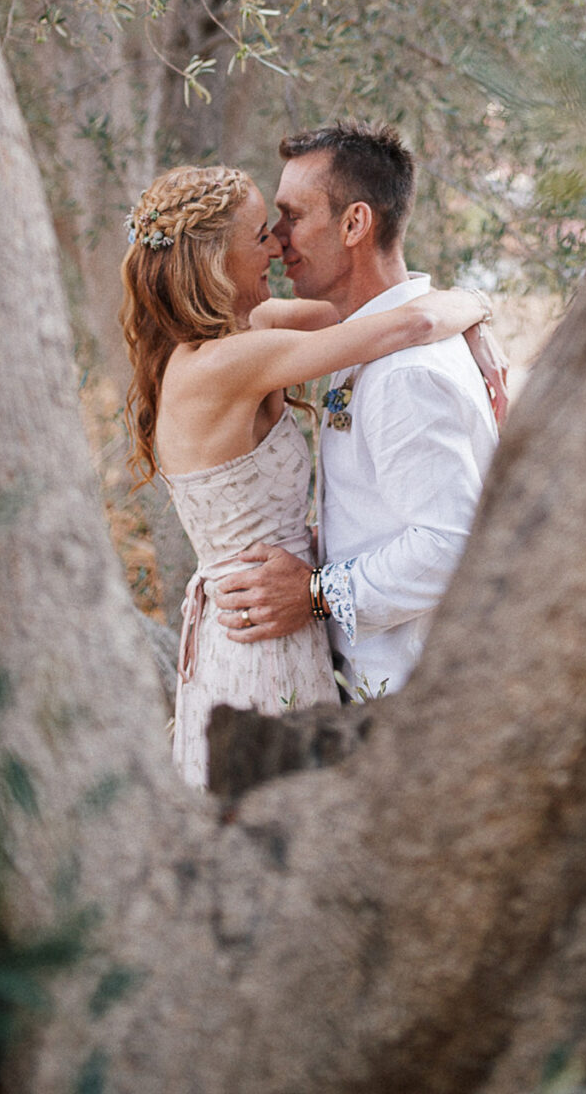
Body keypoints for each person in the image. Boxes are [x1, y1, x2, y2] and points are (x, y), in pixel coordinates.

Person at [119, 161, 492, 786]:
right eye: (261, 233)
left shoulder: (249, 331)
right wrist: (480, 305)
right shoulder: (224, 364)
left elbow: (363, 315)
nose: (275, 246)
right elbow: (413, 324)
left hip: (286, 614)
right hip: (263, 631)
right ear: (214, 260)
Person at [212, 122, 504, 697]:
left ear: (355, 223)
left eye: (293, 215)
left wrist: (314, 592)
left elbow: (450, 544)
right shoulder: (368, 342)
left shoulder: (406, 372)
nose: (276, 237)